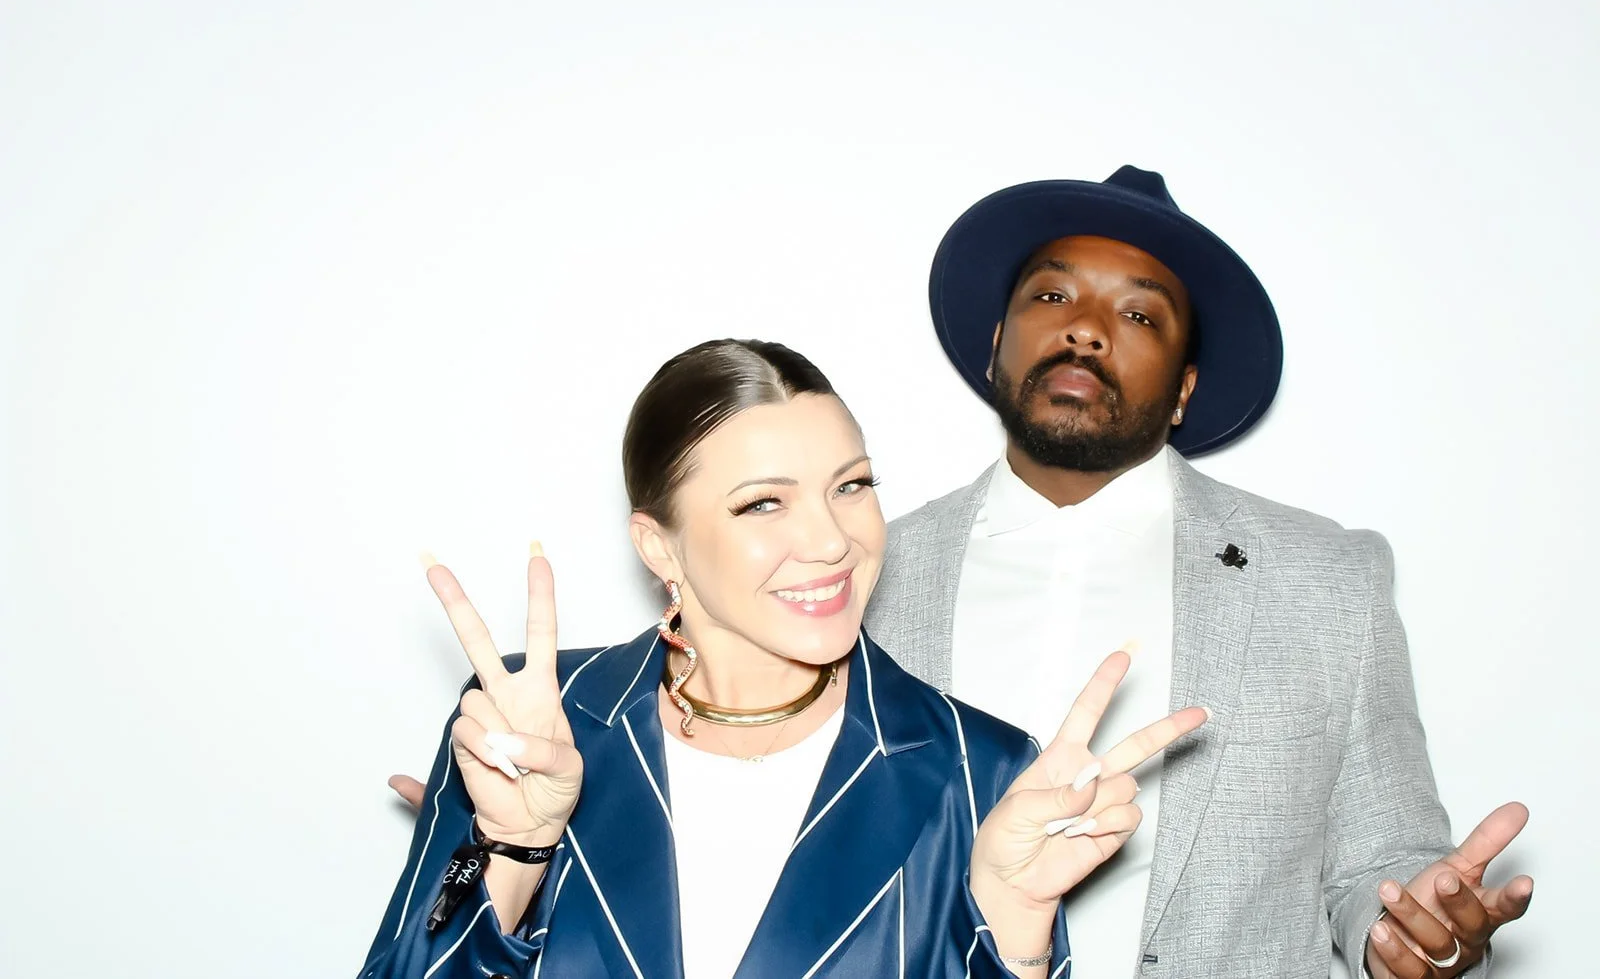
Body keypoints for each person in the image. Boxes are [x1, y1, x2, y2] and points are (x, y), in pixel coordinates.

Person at [865, 165, 1534, 977]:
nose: (1084, 329)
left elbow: (1381, 868)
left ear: (1183, 389)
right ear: (996, 345)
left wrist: (1408, 930)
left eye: (1139, 312)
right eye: (1050, 297)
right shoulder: (864, 575)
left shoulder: (1331, 580)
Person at [360, 339, 1207, 978]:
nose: (833, 539)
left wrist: (1015, 929)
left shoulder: (977, 768)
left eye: (853, 485)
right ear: (660, 547)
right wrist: (514, 847)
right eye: (764, 502)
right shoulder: (535, 720)